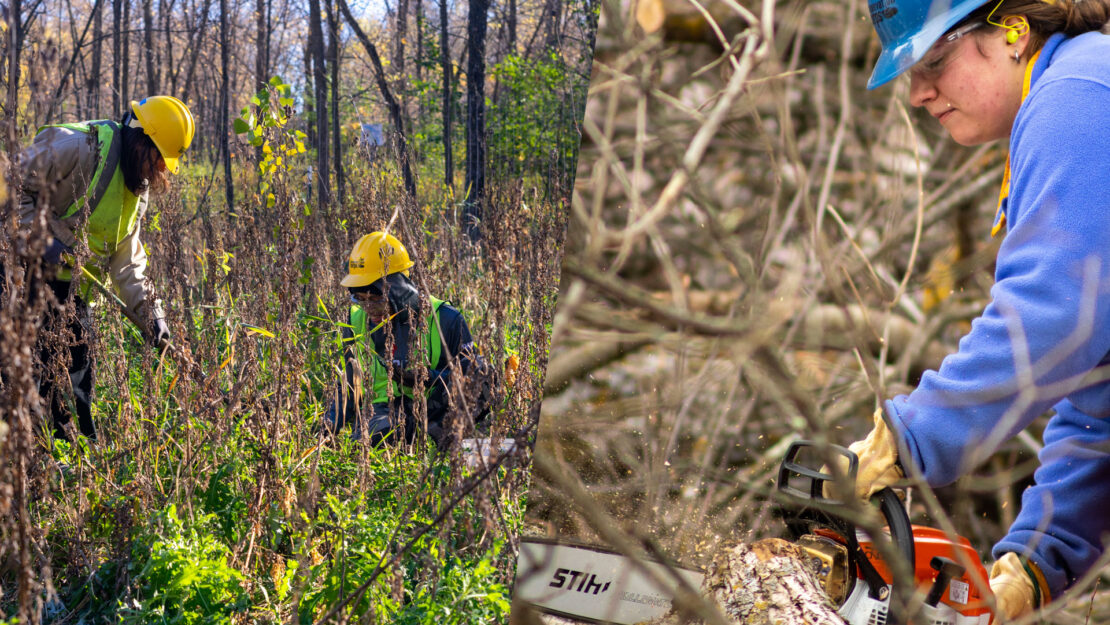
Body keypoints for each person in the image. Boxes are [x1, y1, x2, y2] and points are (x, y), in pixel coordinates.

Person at [14, 95, 195, 440]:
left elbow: (127, 263)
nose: (159, 170)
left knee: (77, 376)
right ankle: (30, 458)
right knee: (28, 373)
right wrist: (38, 239)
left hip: (74, 289)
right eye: (158, 158)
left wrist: (151, 315)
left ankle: (77, 461)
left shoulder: (136, 191)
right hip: (28, 271)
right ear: (141, 139)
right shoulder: (80, 148)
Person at [321, 231, 490, 447]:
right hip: (386, 411)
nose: (369, 307)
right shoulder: (354, 322)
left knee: (484, 372)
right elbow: (348, 386)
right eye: (360, 299)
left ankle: (442, 443)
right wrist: (328, 427)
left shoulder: (445, 318)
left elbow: (472, 374)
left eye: (376, 298)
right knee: (370, 440)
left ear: (398, 288)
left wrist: (429, 378)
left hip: (437, 409)